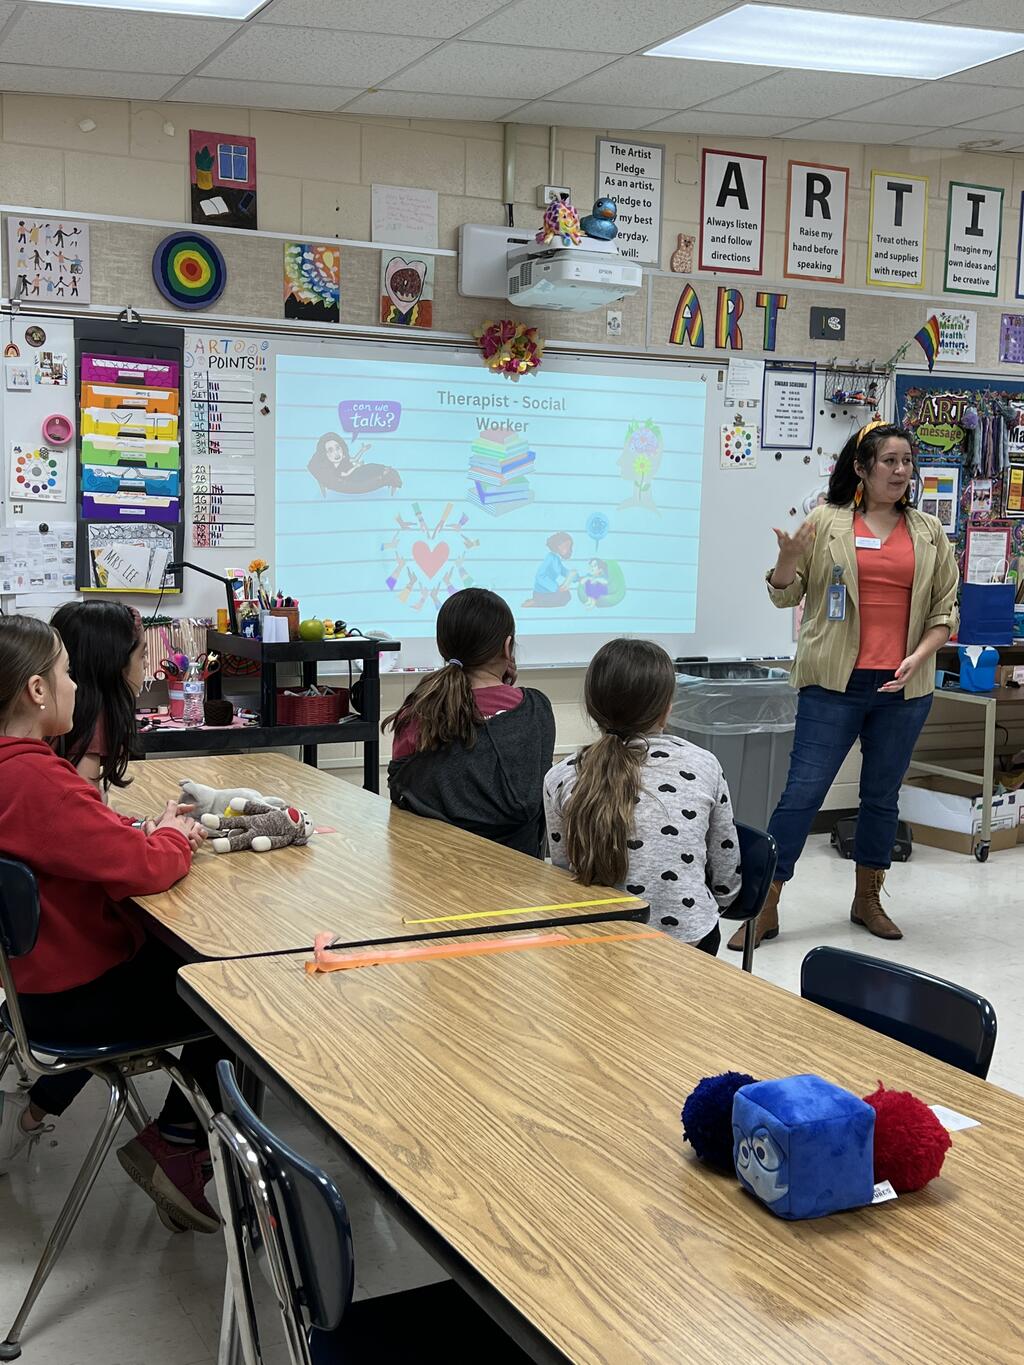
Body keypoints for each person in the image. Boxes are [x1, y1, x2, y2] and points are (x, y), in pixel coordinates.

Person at [0, 615, 224, 1234]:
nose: (76, 686)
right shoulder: (35, 778)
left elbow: (79, 835)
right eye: (66, 673)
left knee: (181, 958)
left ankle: (51, 1110)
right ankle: (178, 1147)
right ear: (37, 690)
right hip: (70, 1000)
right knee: (236, 991)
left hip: (30, 989)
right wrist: (172, 837)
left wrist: (132, 830)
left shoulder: (18, 770)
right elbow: (145, 869)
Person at [731, 422, 959, 953]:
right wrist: (788, 558)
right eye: (889, 461)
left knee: (881, 796)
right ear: (861, 468)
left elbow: (945, 610)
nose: (900, 472)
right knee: (803, 794)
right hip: (833, 684)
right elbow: (785, 595)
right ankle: (765, 904)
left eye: (907, 462)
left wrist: (919, 657)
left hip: (903, 688)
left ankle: (867, 899)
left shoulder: (928, 531)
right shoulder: (826, 522)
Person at [544, 639, 740, 953]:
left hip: (598, 944)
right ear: (665, 709)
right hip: (690, 943)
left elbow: (565, 871)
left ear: (594, 707)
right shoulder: (704, 764)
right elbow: (726, 879)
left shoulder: (560, 777)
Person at [385, 587, 554, 856]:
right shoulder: (535, 710)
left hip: (427, 870)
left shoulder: (418, 714)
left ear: (443, 647)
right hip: (520, 871)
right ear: (508, 647)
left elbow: (404, 794)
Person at [50, 600, 145, 799]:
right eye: (142, 655)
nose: (144, 665)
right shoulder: (86, 725)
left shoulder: (58, 713)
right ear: (115, 664)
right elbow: (84, 811)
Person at [523, 532, 575, 607]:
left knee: (567, 596)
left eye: (569, 547)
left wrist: (576, 577)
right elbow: (540, 576)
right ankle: (536, 601)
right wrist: (556, 588)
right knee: (563, 598)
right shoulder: (550, 557)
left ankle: (538, 601)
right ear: (558, 546)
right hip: (542, 592)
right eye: (566, 546)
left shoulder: (556, 559)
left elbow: (563, 570)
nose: (569, 550)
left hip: (550, 591)